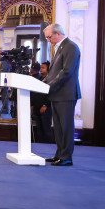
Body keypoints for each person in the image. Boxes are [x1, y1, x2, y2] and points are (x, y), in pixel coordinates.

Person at [43, 23, 81, 166]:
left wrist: (48, 86)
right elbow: (53, 73)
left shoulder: (70, 47)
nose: (48, 40)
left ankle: (66, 157)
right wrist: (42, 83)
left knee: (66, 127)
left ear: (58, 33)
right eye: (46, 38)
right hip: (57, 94)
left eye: (49, 37)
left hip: (66, 94)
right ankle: (59, 154)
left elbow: (66, 72)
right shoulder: (60, 48)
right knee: (58, 127)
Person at [32, 61, 53, 144]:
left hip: (46, 108)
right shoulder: (39, 79)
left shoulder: (51, 80)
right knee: (39, 129)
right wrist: (32, 105)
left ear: (48, 69)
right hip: (37, 107)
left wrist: (45, 105)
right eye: (40, 67)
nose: (41, 69)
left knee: (46, 129)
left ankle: (48, 147)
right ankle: (41, 146)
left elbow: (51, 94)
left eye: (43, 68)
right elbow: (35, 93)